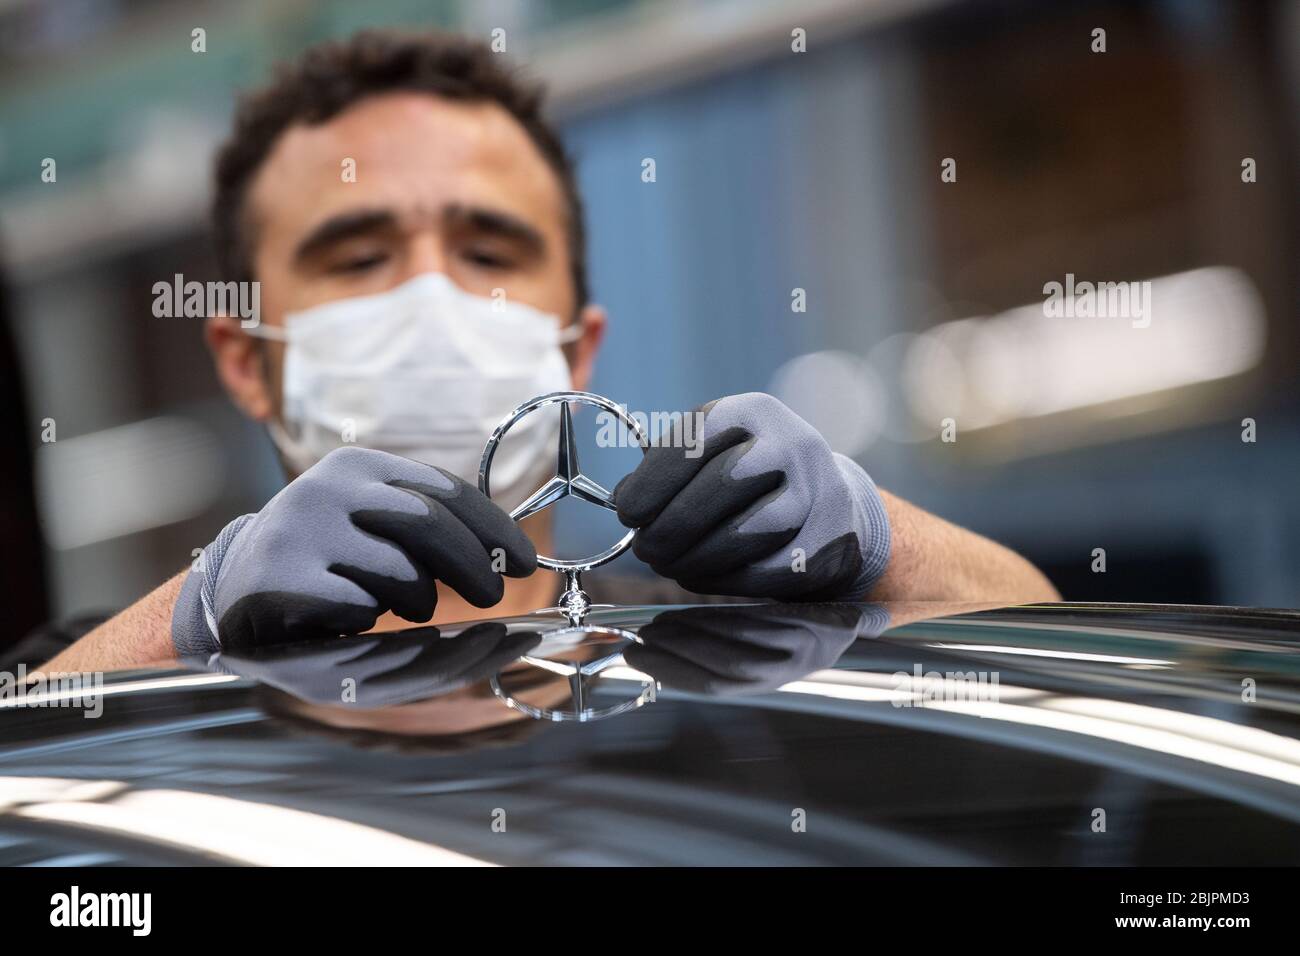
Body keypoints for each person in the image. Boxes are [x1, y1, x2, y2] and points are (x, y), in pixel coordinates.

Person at [40, 30, 1057, 674]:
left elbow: (1055, 657)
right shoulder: (121, 680)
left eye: (488, 249)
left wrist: (881, 540)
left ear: (578, 352)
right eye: (356, 254)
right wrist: (192, 614)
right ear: (245, 358)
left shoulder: (730, 651)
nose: (430, 294)